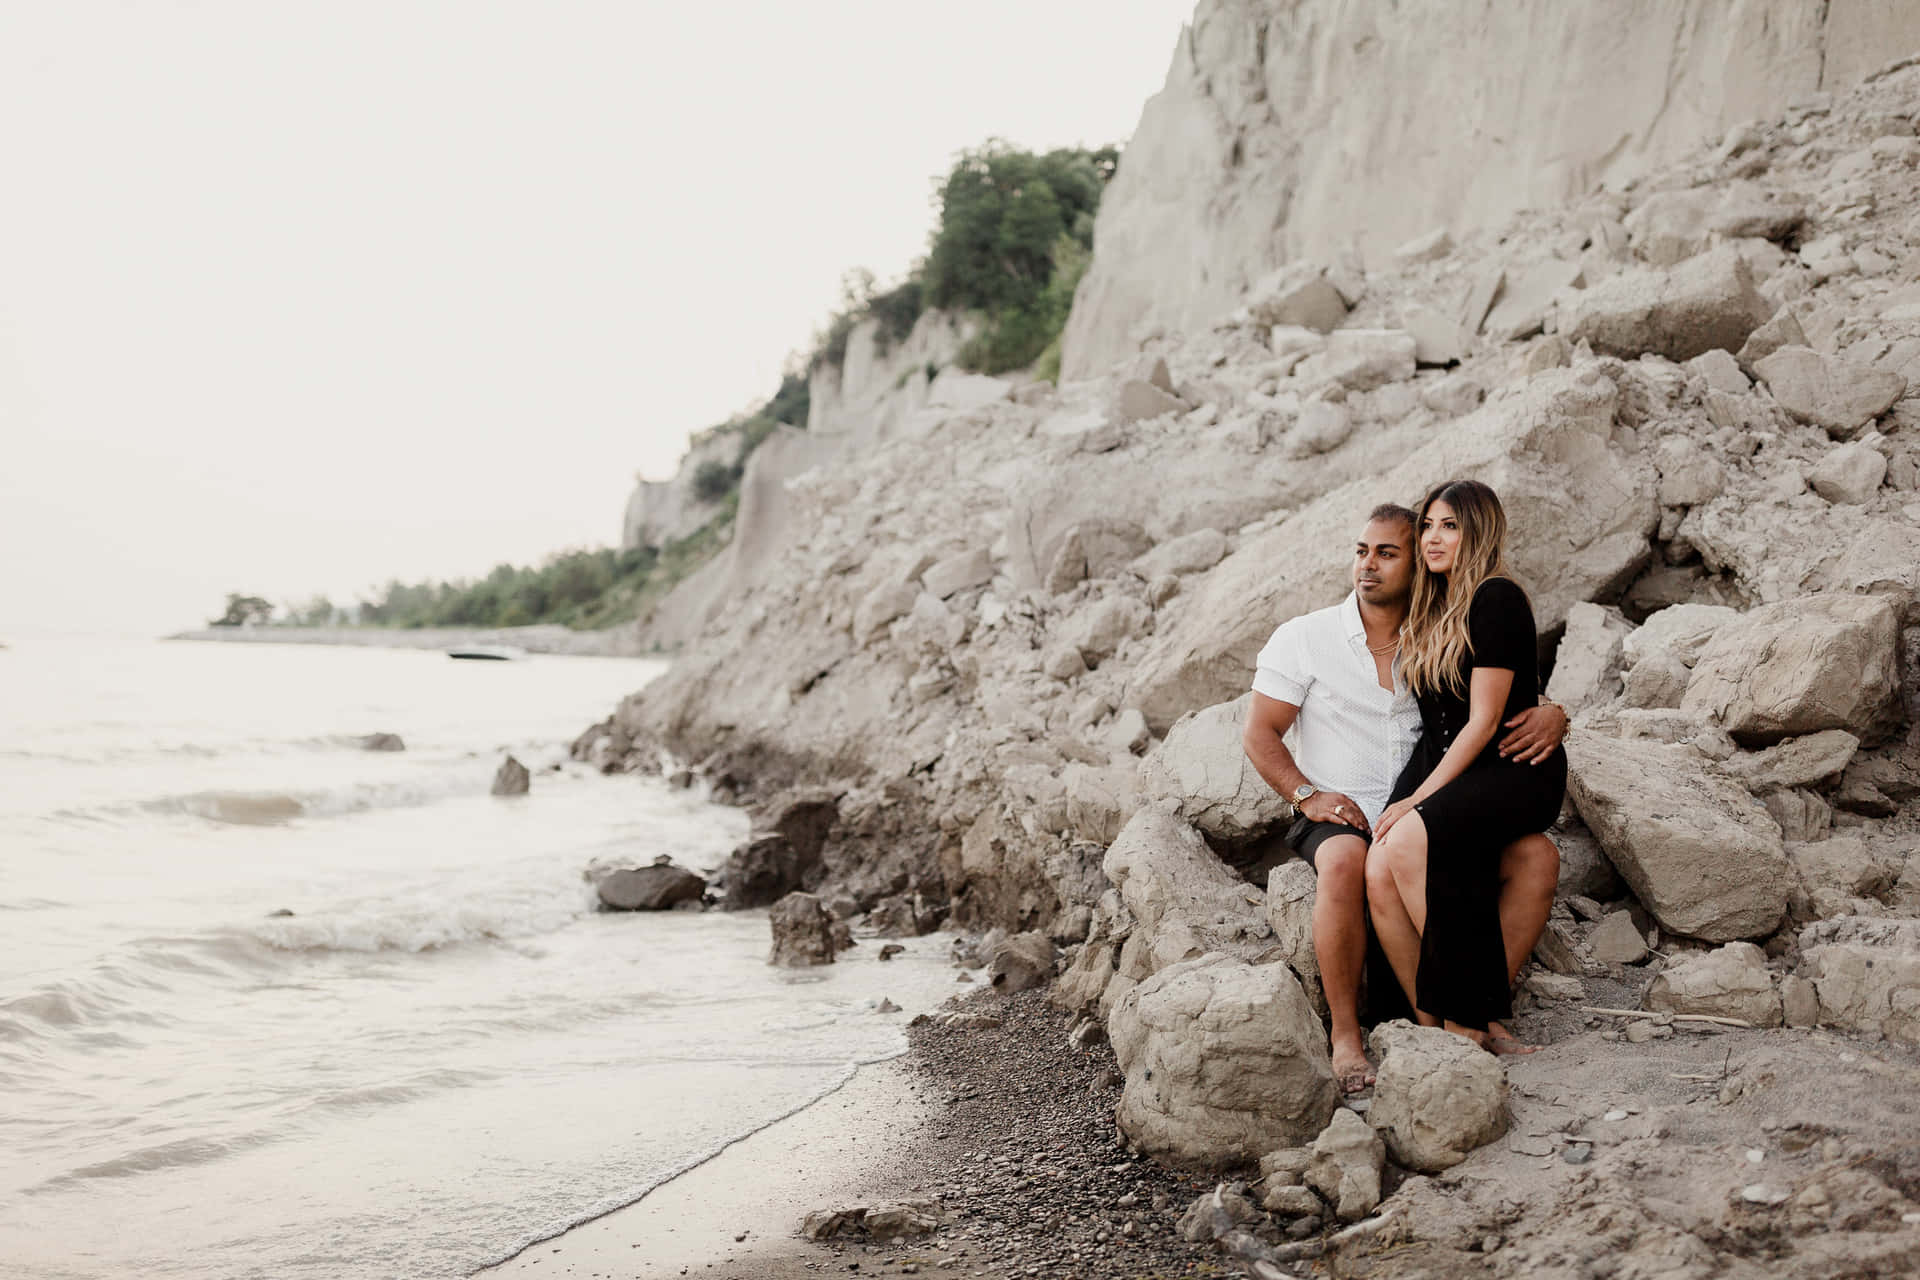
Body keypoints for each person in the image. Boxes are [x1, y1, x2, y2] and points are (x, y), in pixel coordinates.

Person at [1242, 502, 1565, 1093]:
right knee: (1345, 859)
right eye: (1362, 551)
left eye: (1387, 554)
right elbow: (1258, 732)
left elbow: (1493, 697)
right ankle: (1346, 1037)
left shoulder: (1438, 632)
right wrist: (1306, 794)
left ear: (1420, 566)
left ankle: (1477, 1014)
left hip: (1427, 804)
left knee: (1538, 856)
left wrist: (1553, 714)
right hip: (1340, 813)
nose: (1368, 565)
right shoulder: (1306, 637)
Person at [1367, 479, 1569, 1047]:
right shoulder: (1435, 604)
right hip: (1456, 759)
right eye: (1427, 525)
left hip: (1511, 765)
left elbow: (1483, 721)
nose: (1433, 537)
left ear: (1477, 532)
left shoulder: (1494, 597)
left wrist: (1415, 800)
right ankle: (1440, 1028)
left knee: (1406, 839)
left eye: (1449, 526)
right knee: (1379, 864)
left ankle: (1465, 1023)